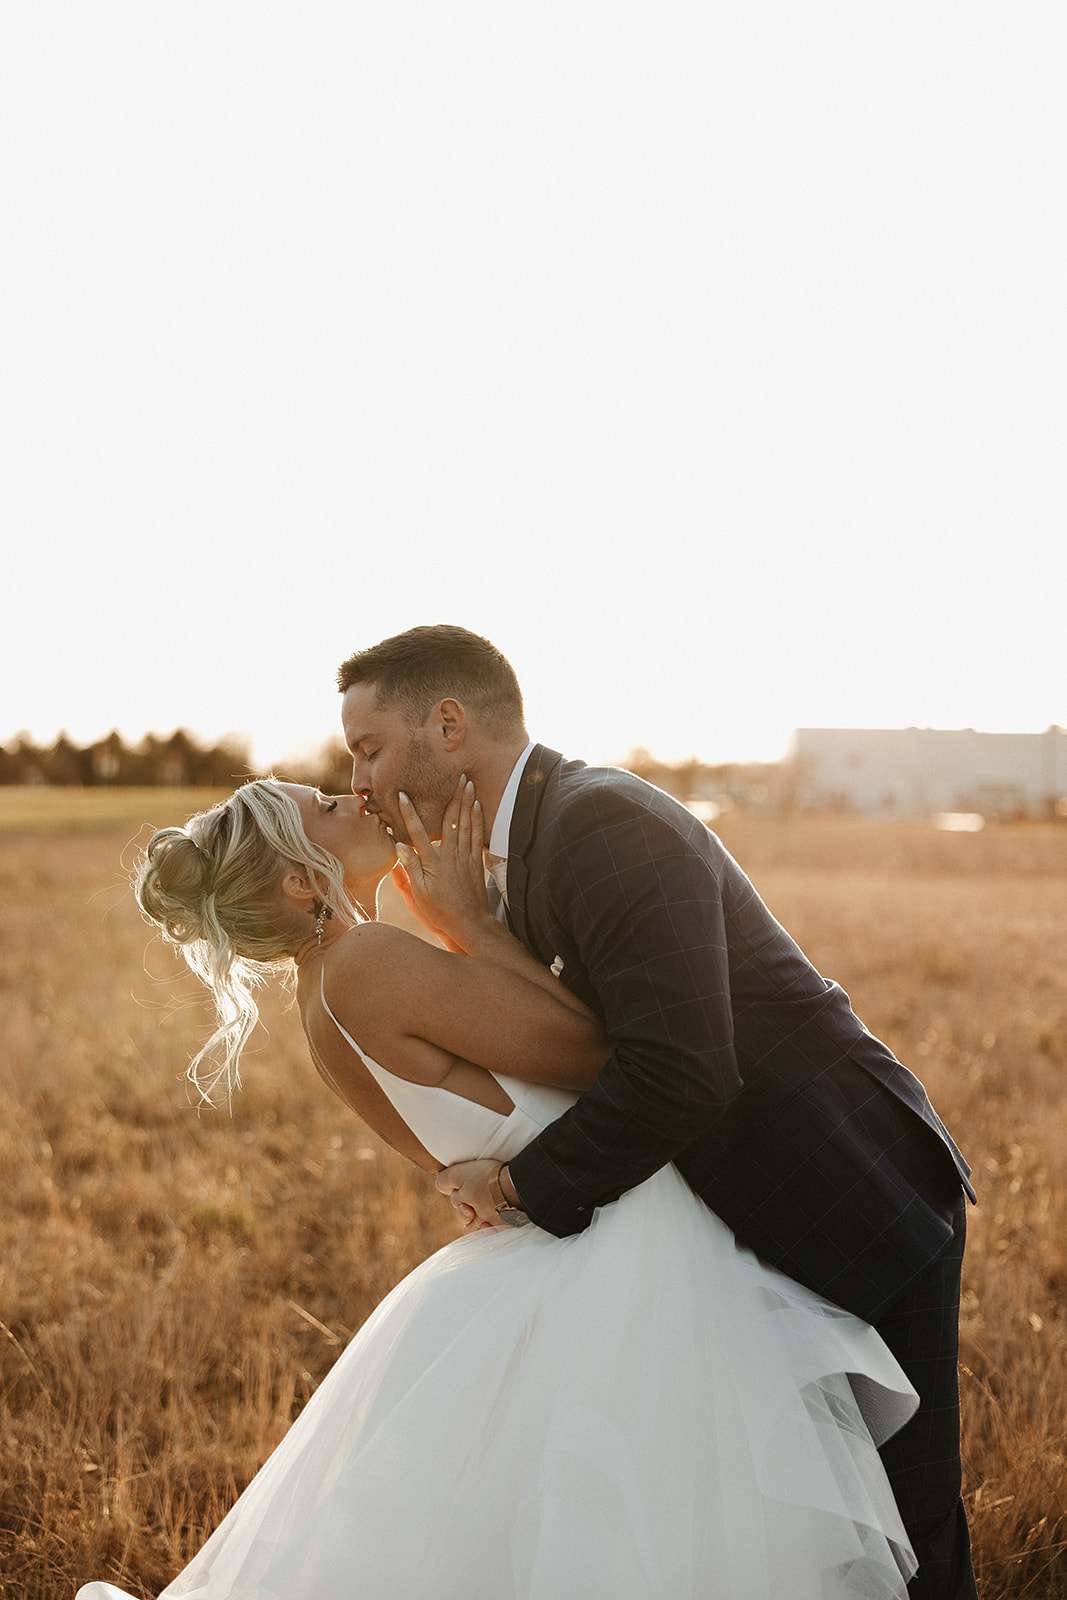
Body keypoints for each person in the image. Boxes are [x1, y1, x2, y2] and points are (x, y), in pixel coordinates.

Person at [77, 773, 921, 1599]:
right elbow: (606, 1055)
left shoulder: (322, 999)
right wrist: (474, 923)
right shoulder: (366, 959)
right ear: (302, 879)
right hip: (619, 1254)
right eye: (328, 807)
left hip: (553, 1241)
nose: (356, 797)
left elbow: (461, 1138)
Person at [335, 624, 978, 1600]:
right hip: (738, 1212)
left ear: (449, 725)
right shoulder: (522, 843)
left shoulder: (603, 823)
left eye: (368, 746)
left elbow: (680, 1069)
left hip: (844, 1189)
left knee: (896, 1524)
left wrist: (517, 1183)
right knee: (797, 1516)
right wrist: (471, 927)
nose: (364, 780)